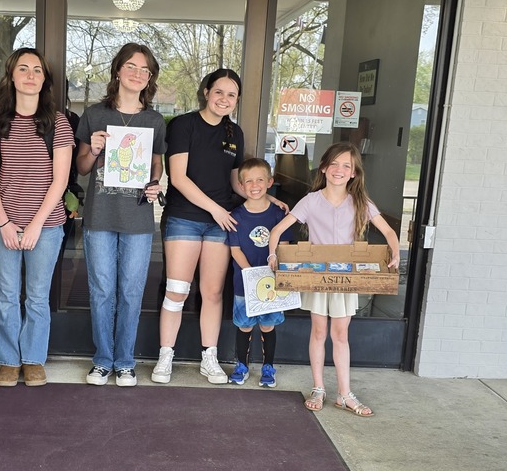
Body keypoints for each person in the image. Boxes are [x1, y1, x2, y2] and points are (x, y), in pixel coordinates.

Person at [268, 142, 400, 416]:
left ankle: (345, 393)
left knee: (340, 334)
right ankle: (318, 387)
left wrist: (395, 253)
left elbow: (388, 231)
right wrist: (272, 254)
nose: (339, 170)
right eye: (335, 164)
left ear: (353, 173)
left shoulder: (361, 202)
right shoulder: (311, 200)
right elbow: (278, 230)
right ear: (325, 167)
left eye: (346, 166)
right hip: (317, 274)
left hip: (347, 277)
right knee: (318, 331)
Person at [0, 48, 74, 387]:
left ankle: (33, 359)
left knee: (36, 296)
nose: (31, 75)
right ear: (12, 76)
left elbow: (60, 180)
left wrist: (35, 224)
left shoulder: (57, 122)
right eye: (24, 69)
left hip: (46, 226)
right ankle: (8, 360)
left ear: (44, 79)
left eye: (37, 70)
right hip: (3, 222)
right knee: (7, 294)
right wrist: (4, 222)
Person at [75, 44, 166, 387]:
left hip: (139, 219)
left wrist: (155, 183)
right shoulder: (95, 115)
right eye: (132, 66)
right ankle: (102, 360)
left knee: (131, 291)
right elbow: (82, 167)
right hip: (99, 216)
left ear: (150, 77)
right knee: (101, 290)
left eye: (145, 70)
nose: (138, 74)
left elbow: (156, 163)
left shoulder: (154, 120)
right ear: (117, 71)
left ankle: (125, 361)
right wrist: (95, 149)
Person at [152, 68, 249, 385]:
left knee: (213, 292)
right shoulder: (183, 125)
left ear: (236, 101)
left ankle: (210, 357)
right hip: (185, 218)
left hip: (220, 223)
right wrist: (216, 209)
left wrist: (261, 199)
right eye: (219, 91)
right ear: (206, 92)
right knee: (176, 291)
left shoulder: (235, 133)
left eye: (231, 95)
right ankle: (166, 355)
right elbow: (177, 178)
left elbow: (234, 181)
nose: (224, 99)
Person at [227, 158, 293, 388]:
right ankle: (242, 366)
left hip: (271, 284)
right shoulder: (235, 215)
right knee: (244, 325)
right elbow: (235, 250)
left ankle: (268, 367)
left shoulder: (278, 214)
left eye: (260, 180)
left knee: (268, 325)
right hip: (244, 284)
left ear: (270, 182)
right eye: (249, 181)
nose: (254, 185)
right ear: (241, 185)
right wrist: (252, 275)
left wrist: (268, 275)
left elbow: (283, 247)